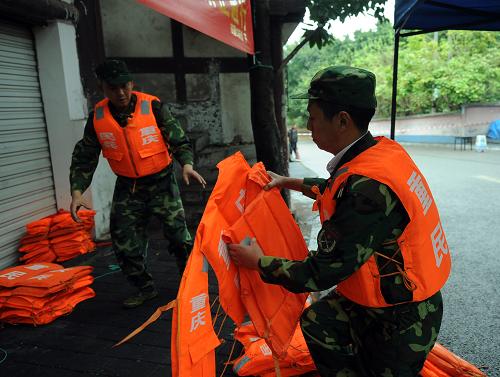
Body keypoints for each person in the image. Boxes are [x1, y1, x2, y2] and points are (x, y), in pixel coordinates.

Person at [228, 66, 451, 376]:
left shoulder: (367, 189)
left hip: (402, 317)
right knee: (318, 321)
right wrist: (288, 182)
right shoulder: (381, 153)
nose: (308, 125)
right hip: (386, 295)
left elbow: (319, 273)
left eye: (313, 116)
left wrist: (258, 262)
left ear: (342, 120)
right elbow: (336, 189)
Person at [70, 60, 206, 308]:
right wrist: (78, 191)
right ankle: (145, 288)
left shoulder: (153, 107)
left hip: (162, 182)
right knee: (123, 241)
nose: (120, 93)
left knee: (179, 238)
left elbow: (178, 140)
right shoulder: (98, 118)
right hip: (128, 186)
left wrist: (186, 164)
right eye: (113, 88)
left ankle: (192, 284)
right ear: (103, 88)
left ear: (131, 83)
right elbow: (85, 156)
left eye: (124, 86)